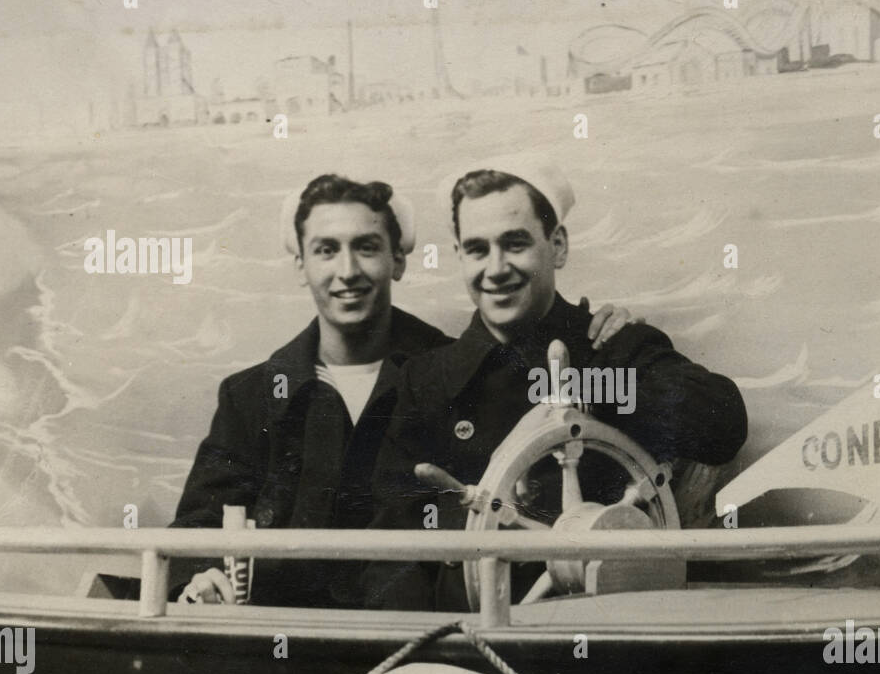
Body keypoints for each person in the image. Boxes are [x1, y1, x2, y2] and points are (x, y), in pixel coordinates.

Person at [170, 172, 633, 606]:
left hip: (420, 644)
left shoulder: (461, 377)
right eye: (326, 250)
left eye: (367, 248)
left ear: (398, 260)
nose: (347, 271)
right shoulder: (250, 397)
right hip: (287, 645)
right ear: (300, 265)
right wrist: (203, 576)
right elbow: (196, 529)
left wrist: (605, 336)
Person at [366, 158, 749, 611]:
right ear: (459, 258)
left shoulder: (611, 348)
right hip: (468, 639)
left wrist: (589, 387)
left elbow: (723, 424)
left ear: (558, 246)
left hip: (606, 630)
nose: (496, 268)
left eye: (515, 243)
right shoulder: (423, 381)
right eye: (477, 249)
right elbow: (386, 546)